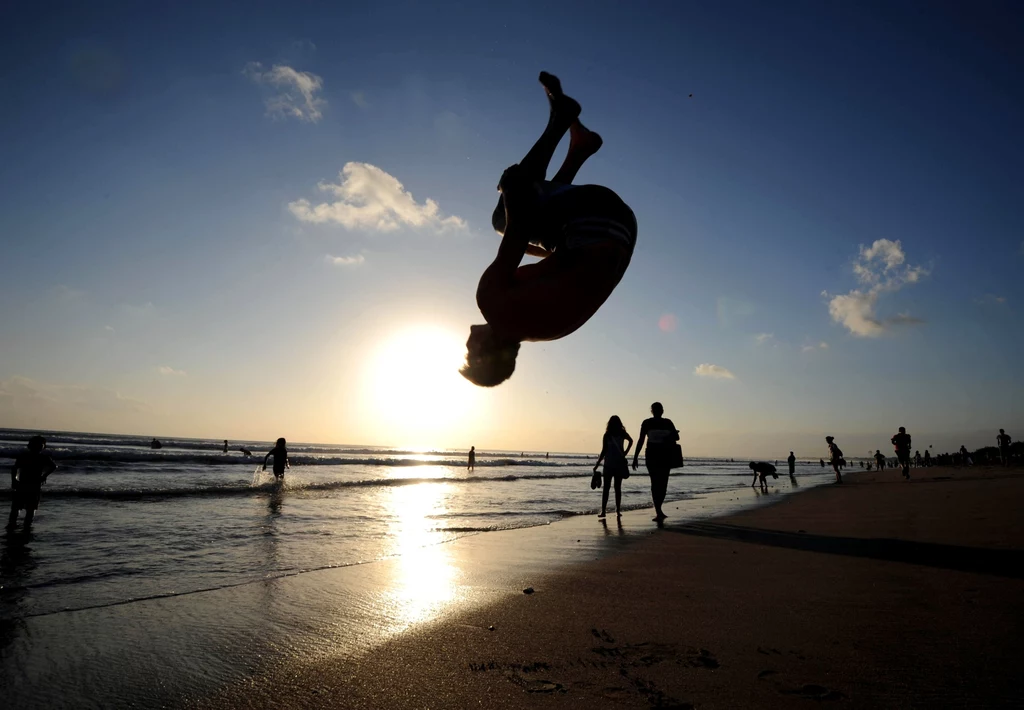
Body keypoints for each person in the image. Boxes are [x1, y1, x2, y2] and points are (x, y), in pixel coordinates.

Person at [461, 72, 637, 387]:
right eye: (468, 353)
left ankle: (580, 149)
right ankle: (561, 119)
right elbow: (516, 233)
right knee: (503, 218)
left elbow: (568, 264)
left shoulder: (546, 332)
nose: (465, 344)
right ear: (484, 350)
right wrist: (514, 189)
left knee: (533, 225)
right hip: (594, 216)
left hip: (620, 229)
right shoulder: (491, 303)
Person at [632, 402, 679, 521]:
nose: (658, 411)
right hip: (652, 455)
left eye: (660, 409)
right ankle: (658, 510)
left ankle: (659, 508)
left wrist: (670, 435)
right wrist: (635, 456)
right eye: (656, 409)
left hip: (666, 455)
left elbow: (676, 437)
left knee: (663, 484)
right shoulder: (647, 423)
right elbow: (641, 440)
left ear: (662, 411)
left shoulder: (668, 422)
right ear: (652, 411)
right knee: (655, 482)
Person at [7, 435, 58, 530]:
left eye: (40, 445)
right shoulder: (25, 456)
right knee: (18, 507)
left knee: (29, 508)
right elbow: (15, 468)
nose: (37, 447)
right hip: (24, 484)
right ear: (30, 445)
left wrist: (44, 476)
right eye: (35, 444)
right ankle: (15, 524)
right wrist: (14, 480)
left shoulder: (42, 457)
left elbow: (54, 466)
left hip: (33, 484)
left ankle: (23, 525)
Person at [593, 416, 633, 519]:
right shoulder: (613, 435)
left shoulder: (608, 435)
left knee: (608, 489)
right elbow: (631, 441)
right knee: (616, 488)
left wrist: (597, 465)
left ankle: (605, 511)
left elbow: (603, 451)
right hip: (615, 464)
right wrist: (625, 453)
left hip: (610, 465)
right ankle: (617, 511)